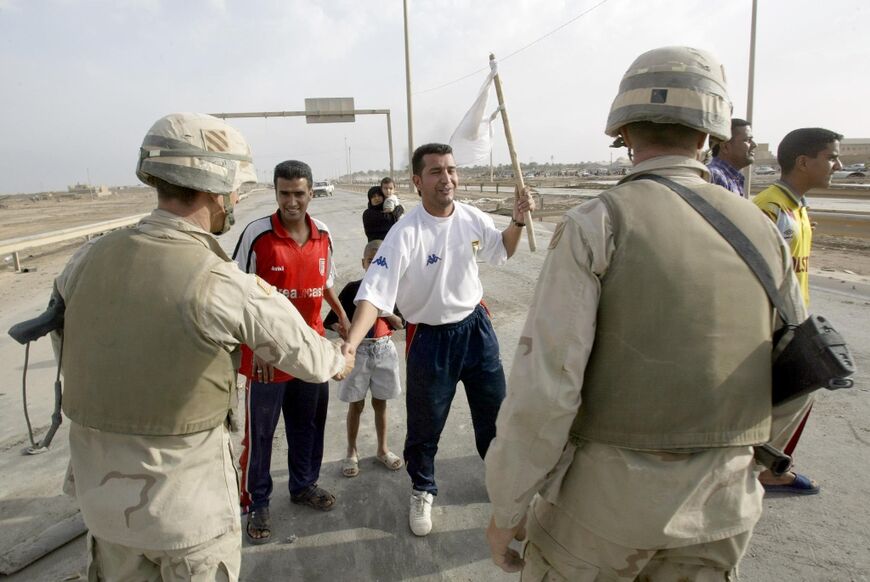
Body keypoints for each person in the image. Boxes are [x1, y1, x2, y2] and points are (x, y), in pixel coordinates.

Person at [484, 47, 813, 579]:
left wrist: (507, 509)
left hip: (602, 519)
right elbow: (803, 369)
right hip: (720, 514)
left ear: (625, 133)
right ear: (709, 135)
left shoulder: (598, 223)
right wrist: (746, 456)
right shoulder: (762, 232)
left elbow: (547, 391)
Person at [54, 113, 352, 580]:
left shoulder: (85, 261)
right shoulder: (219, 281)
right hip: (184, 514)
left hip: (102, 504)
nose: (236, 199)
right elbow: (311, 358)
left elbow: (70, 351)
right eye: (236, 187)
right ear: (215, 184)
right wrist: (341, 357)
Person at [343, 142, 535, 537]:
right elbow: (373, 294)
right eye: (436, 172)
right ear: (417, 181)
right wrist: (349, 345)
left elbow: (502, 251)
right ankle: (422, 489)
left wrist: (516, 222)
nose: (446, 178)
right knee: (425, 424)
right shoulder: (405, 233)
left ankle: (502, 484)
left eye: (451, 170)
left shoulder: (471, 217)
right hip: (430, 339)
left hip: (476, 330)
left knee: (495, 414)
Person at [233, 159, 351, 544]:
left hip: (310, 354)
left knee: (309, 427)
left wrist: (341, 316)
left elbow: (326, 281)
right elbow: (238, 296)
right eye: (284, 193)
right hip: (267, 360)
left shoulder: (324, 235)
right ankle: (257, 502)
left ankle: (303, 485)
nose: (292, 201)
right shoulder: (258, 234)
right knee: (261, 436)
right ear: (276, 192)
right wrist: (259, 348)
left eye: (299, 193)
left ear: (311, 193)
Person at [752, 127, 843, 494]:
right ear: (804, 162)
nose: (836, 164)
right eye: (830, 156)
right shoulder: (771, 209)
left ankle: (768, 468)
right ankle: (761, 471)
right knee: (787, 399)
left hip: (794, 322)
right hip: (772, 327)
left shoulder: (797, 208)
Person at [324, 239, 405, 478]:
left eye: (381, 260)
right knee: (355, 404)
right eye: (371, 260)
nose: (376, 265)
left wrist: (387, 313)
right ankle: (351, 452)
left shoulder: (393, 291)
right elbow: (332, 320)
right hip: (359, 353)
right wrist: (342, 328)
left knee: (381, 403)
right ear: (363, 263)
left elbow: (402, 324)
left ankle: (382, 449)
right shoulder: (352, 289)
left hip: (383, 350)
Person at [707, 117, 756, 197]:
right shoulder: (716, 176)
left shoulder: (732, 177)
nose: (754, 145)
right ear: (725, 147)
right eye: (748, 140)